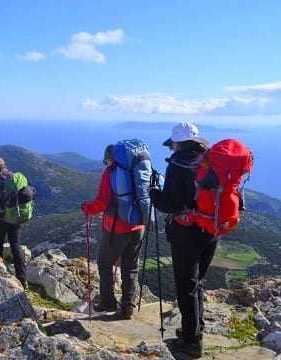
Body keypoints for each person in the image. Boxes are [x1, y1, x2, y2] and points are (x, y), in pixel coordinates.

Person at [149, 122, 212, 358]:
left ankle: (191, 343)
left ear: (177, 143)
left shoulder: (178, 163)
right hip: (211, 228)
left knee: (186, 287)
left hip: (187, 232)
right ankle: (195, 329)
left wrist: (154, 192)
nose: (171, 149)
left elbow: (171, 204)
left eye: (172, 145)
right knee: (198, 282)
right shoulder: (209, 159)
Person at [81, 145, 146, 319]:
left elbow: (101, 203)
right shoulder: (138, 171)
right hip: (139, 227)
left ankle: (108, 302)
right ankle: (128, 307)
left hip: (117, 228)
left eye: (106, 159)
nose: (106, 163)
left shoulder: (111, 173)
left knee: (104, 263)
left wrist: (87, 207)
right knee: (131, 267)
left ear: (111, 158)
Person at [0, 157, 27, 288]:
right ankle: (22, 279)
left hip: (1, 220)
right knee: (16, 247)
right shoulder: (14, 178)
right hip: (15, 219)